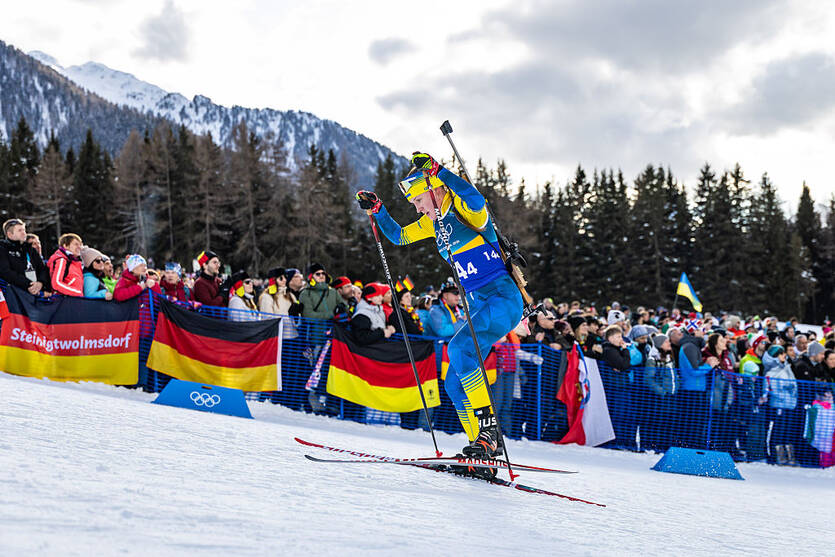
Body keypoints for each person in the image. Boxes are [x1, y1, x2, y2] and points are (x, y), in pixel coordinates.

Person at [356, 151, 524, 463]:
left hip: (503, 300)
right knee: (452, 380)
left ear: (434, 191)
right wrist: (378, 210)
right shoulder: (432, 225)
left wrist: (439, 171)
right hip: (480, 308)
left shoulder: (465, 212)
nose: (418, 209)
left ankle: (489, 431)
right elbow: (399, 236)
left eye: (419, 201)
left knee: (458, 349)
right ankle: (481, 445)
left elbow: (474, 198)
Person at [762, 344, 798, 464]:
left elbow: (793, 384)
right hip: (778, 405)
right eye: (782, 354)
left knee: (787, 430)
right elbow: (770, 389)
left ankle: (788, 456)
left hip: (789, 404)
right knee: (778, 430)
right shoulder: (771, 372)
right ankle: (776, 456)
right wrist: (784, 392)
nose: (785, 356)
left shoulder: (787, 368)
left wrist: (791, 391)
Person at [643, 334, 678, 451]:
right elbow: (648, 379)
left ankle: (665, 445)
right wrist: (662, 392)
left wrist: (676, 387)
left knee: (668, 422)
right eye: (666, 342)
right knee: (658, 421)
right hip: (659, 397)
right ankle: (654, 445)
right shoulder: (653, 359)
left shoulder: (669, 358)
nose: (669, 343)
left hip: (671, 396)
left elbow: (673, 376)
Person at [0, 218, 51, 296]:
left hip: (36, 291)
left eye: (24, 230)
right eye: (20, 230)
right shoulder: (3, 249)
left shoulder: (30, 249)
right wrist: (29, 284)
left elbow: (43, 268)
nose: (24, 233)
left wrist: (41, 283)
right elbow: (6, 272)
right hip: (16, 294)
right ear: (10, 234)